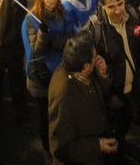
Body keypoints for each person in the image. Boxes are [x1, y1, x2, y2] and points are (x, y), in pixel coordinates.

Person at [83, 0, 140, 158]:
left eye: (120, 4)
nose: (118, 10)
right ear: (102, 6)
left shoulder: (133, 14)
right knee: (110, 136)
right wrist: (108, 94)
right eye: (112, 7)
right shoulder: (94, 28)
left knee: (125, 123)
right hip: (109, 95)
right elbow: (85, 68)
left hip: (131, 87)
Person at [47, 32, 117, 165]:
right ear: (86, 67)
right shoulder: (64, 95)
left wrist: (103, 74)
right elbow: (60, 147)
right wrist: (98, 146)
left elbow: (97, 93)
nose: (98, 57)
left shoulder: (78, 68)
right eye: (94, 56)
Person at [23, 0, 73, 151]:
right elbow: (36, 50)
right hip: (42, 73)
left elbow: (70, 39)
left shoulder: (63, 13)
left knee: (61, 110)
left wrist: (54, 41)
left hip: (61, 70)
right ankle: (47, 147)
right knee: (45, 113)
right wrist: (43, 35)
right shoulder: (32, 19)